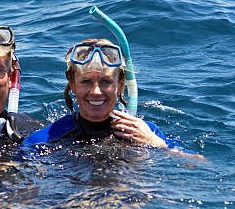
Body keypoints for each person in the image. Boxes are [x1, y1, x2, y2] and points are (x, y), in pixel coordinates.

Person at [23, 38, 203, 158]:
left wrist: (157, 144)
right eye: (86, 81)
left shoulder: (144, 131)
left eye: (106, 81)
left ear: (120, 85)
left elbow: (199, 163)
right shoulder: (45, 137)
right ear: (72, 84)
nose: (96, 91)